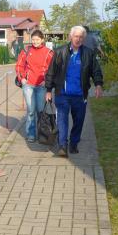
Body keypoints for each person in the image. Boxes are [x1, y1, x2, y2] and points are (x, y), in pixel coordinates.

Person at [45, 25, 103, 156]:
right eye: (76, 36)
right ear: (70, 37)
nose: (78, 39)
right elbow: (51, 72)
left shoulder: (88, 53)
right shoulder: (59, 52)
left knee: (79, 120)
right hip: (62, 94)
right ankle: (62, 145)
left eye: (81, 37)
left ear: (84, 38)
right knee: (62, 120)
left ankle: (74, 143)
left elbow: (96, 70)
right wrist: (48, 90)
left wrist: (98, 85)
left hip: (80, 95)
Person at [15, 29, 54, 142]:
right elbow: (19, 66)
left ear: (42, 40)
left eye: (37, 39)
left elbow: (53, 69)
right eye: (33, 39)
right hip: (28, 86)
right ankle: (31, 134)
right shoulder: (26, 51)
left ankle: (42, 134)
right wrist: (22, 78)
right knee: (31, 111)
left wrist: (46, 81)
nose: (35, 42)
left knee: (41, 111)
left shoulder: (49, 53)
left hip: (42, 86)